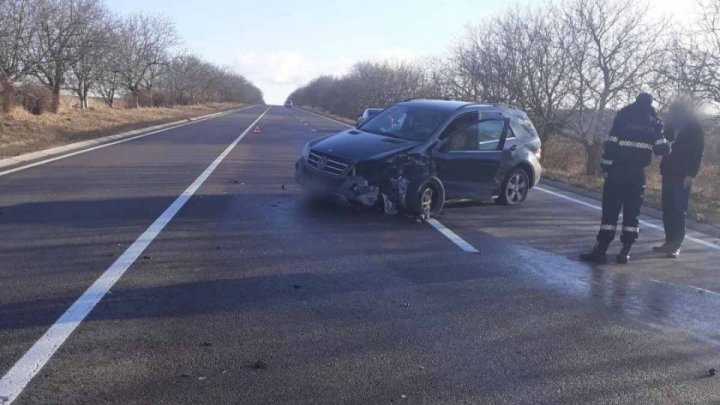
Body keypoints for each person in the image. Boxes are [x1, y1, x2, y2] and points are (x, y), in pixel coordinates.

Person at [581, 93, 670, 264]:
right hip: (638, 175)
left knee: (610, 212)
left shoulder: (623, 117)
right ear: (650, 105)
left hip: (618, 171)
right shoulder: (655, 123)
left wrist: (606, 167)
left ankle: (601, 251)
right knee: (632, 214)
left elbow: (611, 143)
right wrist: (668, 144)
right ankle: (625, 252)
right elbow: (661, 149)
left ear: (636, 102)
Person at [653, 101, 705, 258]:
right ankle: (669, 240)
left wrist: (691, 174)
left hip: (683, 174)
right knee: (667, 208)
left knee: (678, 209)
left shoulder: (694, 127)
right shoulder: (671, 126)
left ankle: (676, 244)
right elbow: (663, 142)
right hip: (669, 171)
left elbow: (698, 152)